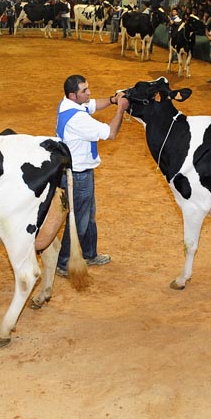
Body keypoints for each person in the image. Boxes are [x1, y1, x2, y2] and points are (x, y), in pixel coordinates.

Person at [54, 75, 129, 277]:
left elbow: (94, 105)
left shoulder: (69, 105)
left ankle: (89, 253)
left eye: (88, 88)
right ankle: (63, 263)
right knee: (79, 220)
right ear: (73, 95)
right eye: (84, 91)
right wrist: (121, 108)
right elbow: (110, 133)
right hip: (78, 176)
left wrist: (112, 100)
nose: (89, 93)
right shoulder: (78, 119)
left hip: (79, 172)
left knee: (88, 216)